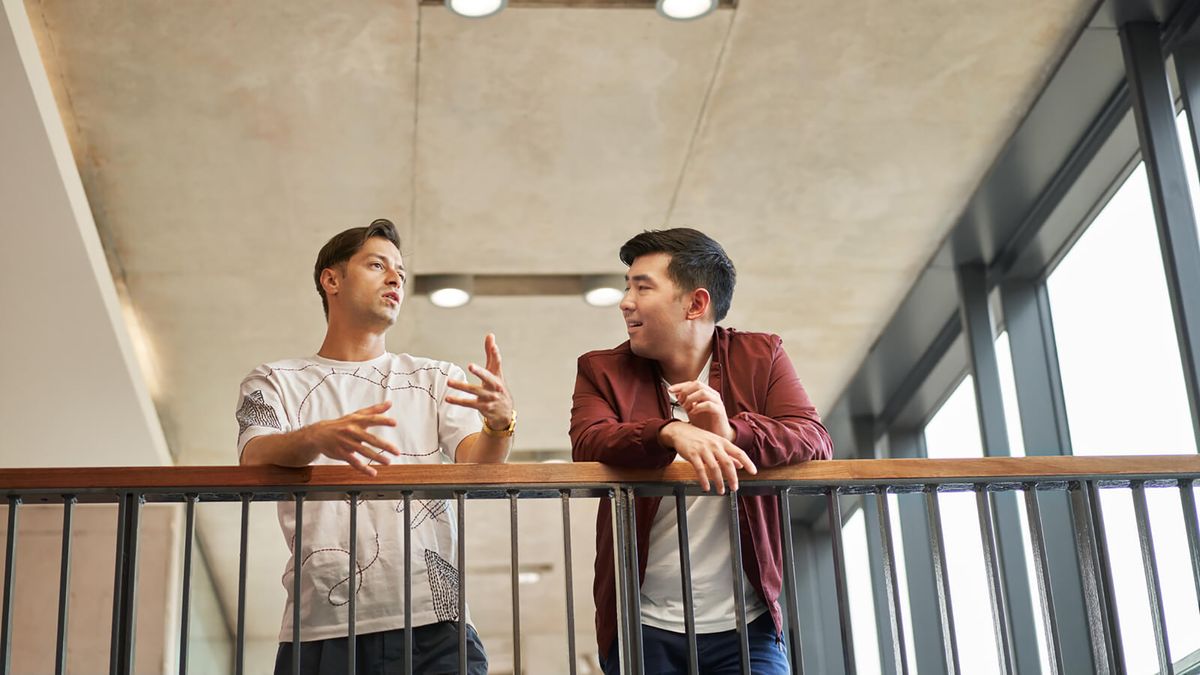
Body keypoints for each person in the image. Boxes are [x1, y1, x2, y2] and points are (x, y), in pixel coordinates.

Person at [236, 218, 514, 675]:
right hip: (321, 623)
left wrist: (501, 424)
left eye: (401, 274)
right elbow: (253, 456)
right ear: (332, 280)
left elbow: (477, 464)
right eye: (377, 265)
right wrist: (316, 436)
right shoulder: (274, 380)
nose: (395, 280)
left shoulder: (434, 377)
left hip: (436, 615)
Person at [570, 228, 833, 674]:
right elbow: (588, 440)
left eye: (642, 286)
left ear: (695, 304)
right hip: (641, 626)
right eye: (627, 285)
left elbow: (812, 437)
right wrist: (668, 432)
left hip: (748, 627)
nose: (625, 301)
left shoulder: (761, 354)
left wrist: (729, 431)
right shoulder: (601, 369)